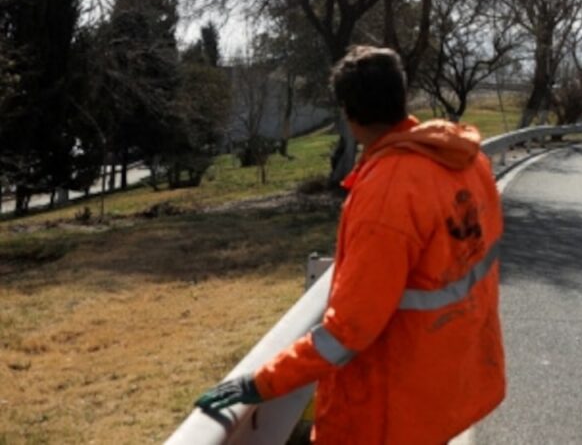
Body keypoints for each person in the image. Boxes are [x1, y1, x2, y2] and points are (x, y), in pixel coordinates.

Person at [196, 46, 506, 443]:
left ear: (347, 111)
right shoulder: (467, 163)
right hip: (449, 383)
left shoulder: (389, 192)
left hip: (393, 407)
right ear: (401, 95)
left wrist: (263, 382)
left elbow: (347, 332)